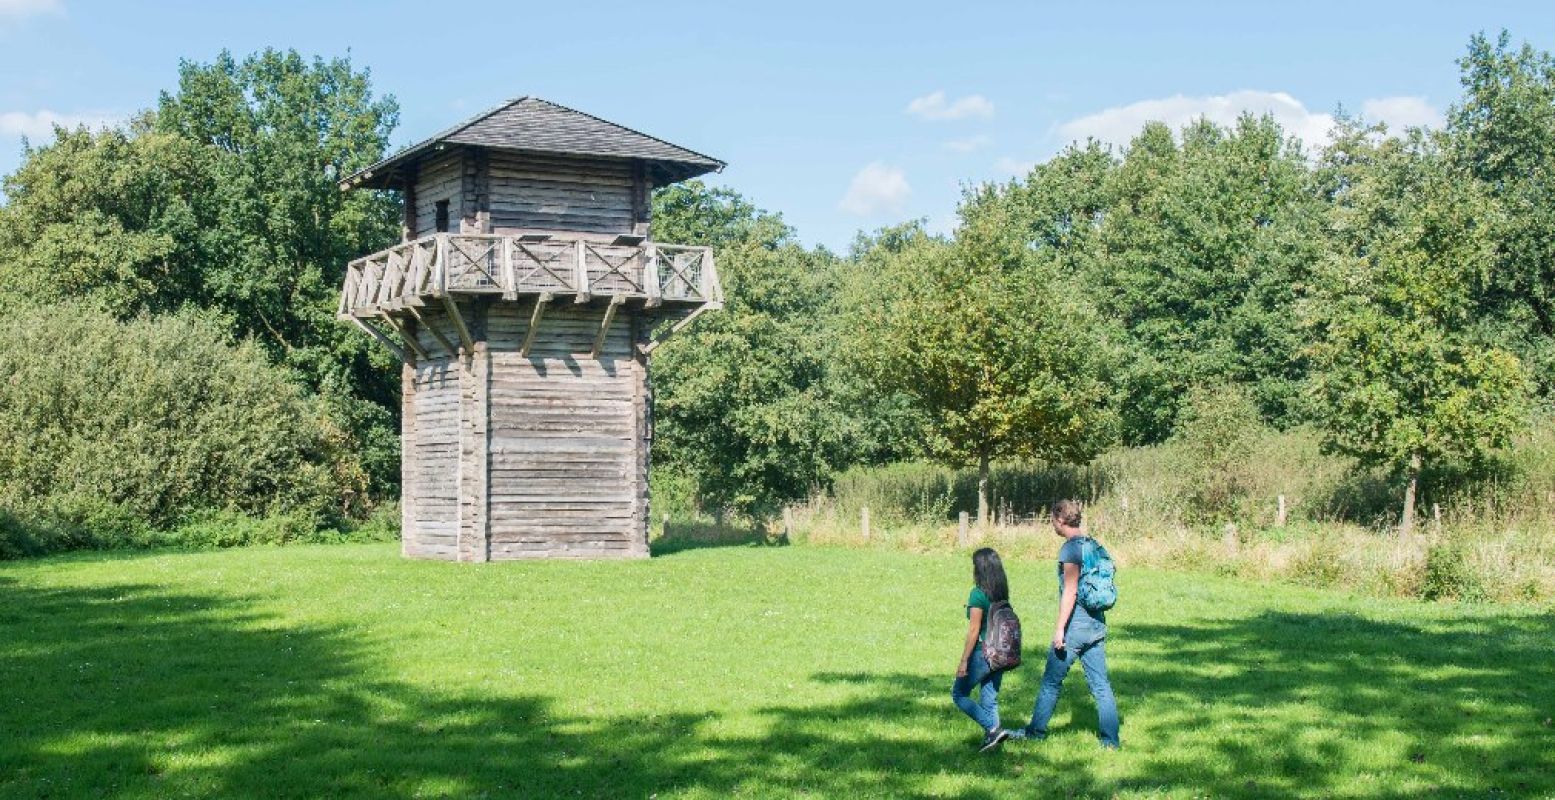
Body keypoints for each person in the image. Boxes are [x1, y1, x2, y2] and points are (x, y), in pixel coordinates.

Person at [1019, 499, 1120, 749]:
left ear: (1060, 520)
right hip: (1096, 625)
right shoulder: (1093, 545)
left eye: (1053, 520)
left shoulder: (1071, 549)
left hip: (1076, 628)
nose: (1052, 524)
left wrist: (1059, 629)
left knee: (1051, 682)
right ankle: (1111, 742)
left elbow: (1071, 591)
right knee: (1101, 687)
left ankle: (1036, 732)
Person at [953, 547, 1013, 752]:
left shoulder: (978, 594)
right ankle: (993, 745)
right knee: (989, 700)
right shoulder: (1001, 593)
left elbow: (973, 630)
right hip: (1002, 652)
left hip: (983, 653)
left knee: (959, 694)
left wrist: (963, 662)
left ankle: (993, 728)